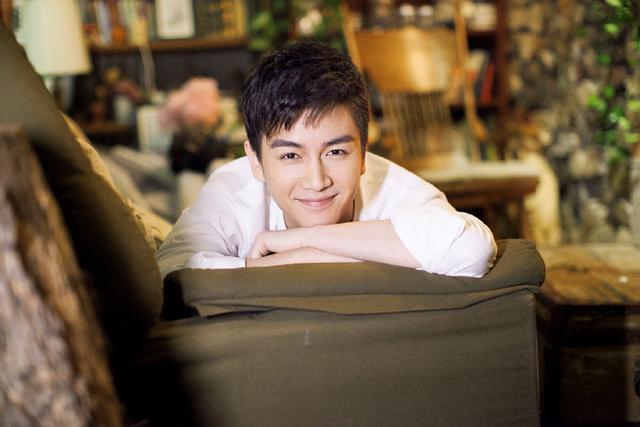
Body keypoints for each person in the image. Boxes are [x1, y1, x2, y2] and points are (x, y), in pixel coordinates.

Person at [156, 41, 496, 279]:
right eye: (291, 155)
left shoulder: (397, 190)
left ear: (363, 153)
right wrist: (290, 261)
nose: (317, 181)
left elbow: (471, 249)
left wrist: (301, 239)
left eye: (335, 152)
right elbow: (169, 274)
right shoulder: (233, 191)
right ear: (255, 161)